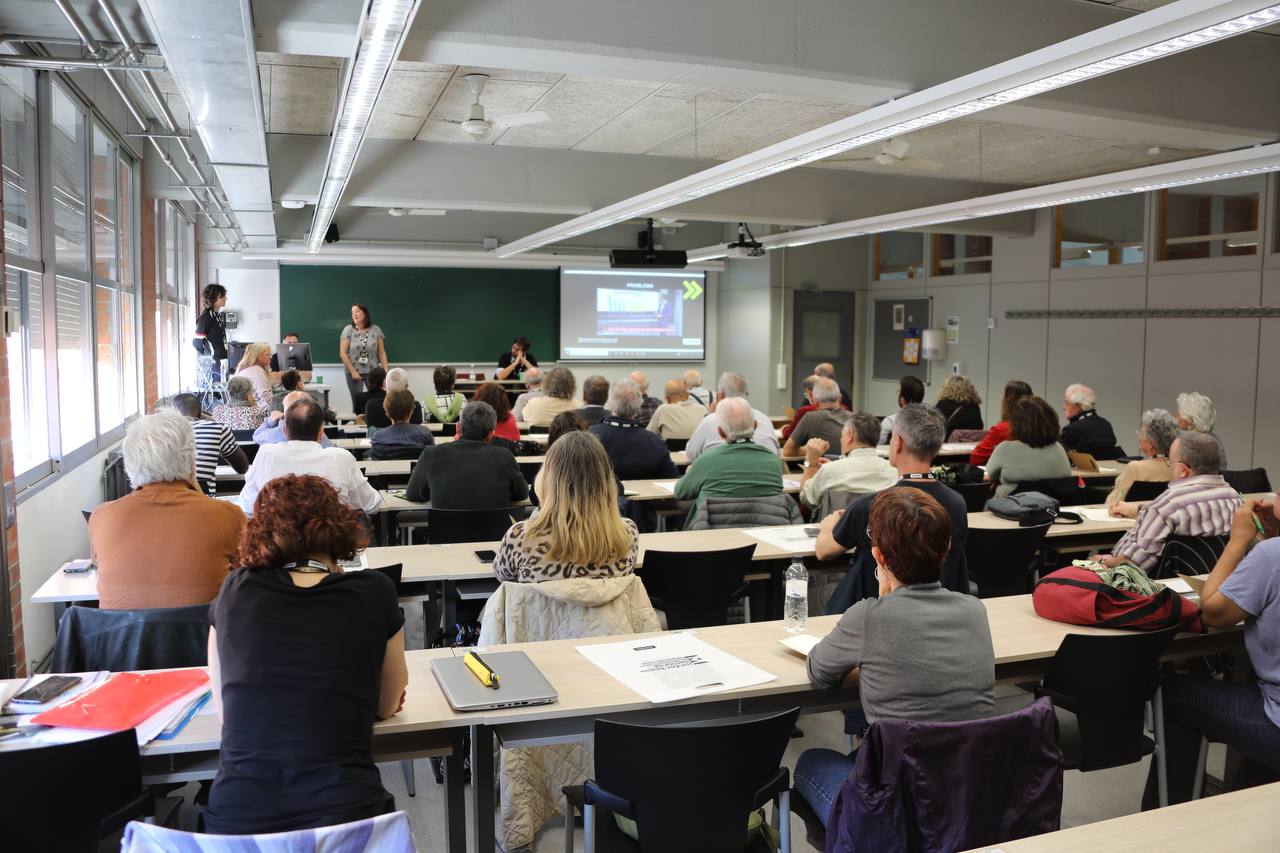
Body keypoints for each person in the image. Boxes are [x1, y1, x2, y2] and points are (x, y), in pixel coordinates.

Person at [204, 475, 407, 834]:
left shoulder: (236, 590)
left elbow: (225, 706)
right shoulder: (375, 591)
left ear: (260, 532)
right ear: (340, 527)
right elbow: (386, 704)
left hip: (239, 823)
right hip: (346, 819)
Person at [795, 487, 995, 827]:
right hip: (964, 792)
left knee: (810, 762)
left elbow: (818, 672)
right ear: (946, 549)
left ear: (879, 557)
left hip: (892, 812)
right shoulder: (975, 610)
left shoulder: (868, 617)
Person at [1142, 494, 1280, 808]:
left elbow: (1213, 613)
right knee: (1248, 686)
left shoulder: (1271, 555)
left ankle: (1168, 820)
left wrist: (1237, 542)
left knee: (1172, 695)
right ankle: (1248, 804)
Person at [89, 410, 244, 610]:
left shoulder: (102, 517)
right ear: (191, 462)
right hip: (204, 638)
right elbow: (243, 579)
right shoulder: (228, 516)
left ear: (128, 465)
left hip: (125, 640)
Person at [816, 404, 971, 601]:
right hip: (937, 611)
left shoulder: (870, 505)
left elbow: (823, 551)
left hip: (875, 612)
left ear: (897, 442)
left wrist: (828, 525)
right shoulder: (957, 504)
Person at [493, 431, 639, 583]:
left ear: (547, 478)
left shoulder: (521, 537)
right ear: (605, 481)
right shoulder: (628, 535)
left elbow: (503, 578)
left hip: (540, 607)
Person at [1099, 431, 1239, 572]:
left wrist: (1103, 561)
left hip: (1146, 584)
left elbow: (1134, 563)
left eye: (1170, 462)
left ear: (1183, 470)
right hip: (1212, 582)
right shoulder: (1236, 499)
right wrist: (1140, 510)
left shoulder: (1169, 504)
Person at [237, 397, 381, 516]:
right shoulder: (341, 458)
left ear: (285, 431)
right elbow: (371, 505)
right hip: (329, 546)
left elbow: (247, 507)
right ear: (321, 433)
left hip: (280, 547)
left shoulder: (266, 454)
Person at [673, 397, 783, 519]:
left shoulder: (707, 460)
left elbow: (680, 492)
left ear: (720, 432)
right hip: (763, 529)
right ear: (755, 425)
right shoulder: (773, 462)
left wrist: (691, 472)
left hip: (713, 531)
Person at [405, 401, 529, 509]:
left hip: (445, 533)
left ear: (458, 428)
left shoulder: (431, 454)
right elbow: (521, 494)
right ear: (491, 434)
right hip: (493, 534)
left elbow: (413, 494)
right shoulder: (505, 457)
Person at [798, 411, 898, 512]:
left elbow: (805, 498)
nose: (841, 440)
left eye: (842, 435)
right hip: (879, 527)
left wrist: (810, 463)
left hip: (837, 526)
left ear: (849, 434)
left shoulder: (829, 471)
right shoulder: (894, 472)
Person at [590, 379, 679, 480]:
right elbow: (671, 478)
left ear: (609, 402)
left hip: (604, 495)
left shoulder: (591, 437)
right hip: (648, 494)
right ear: (639, 406)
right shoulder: (655, 442)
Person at [984, 396, 1072, 498]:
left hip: (1009, 509)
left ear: (1016, 424)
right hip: (1052, 509)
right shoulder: (1059, 449)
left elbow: (988, 477)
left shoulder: (1005, 449)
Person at [685, 372, 780, 460]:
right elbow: (777, 454)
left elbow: (691, 454)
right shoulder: (765, 419)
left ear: (720, 395)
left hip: (721, 475)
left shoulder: (710, 421)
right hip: (765, 474)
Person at [169, 392, 249, 496]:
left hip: (169, 499)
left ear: (171, 414)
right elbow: (242, 468)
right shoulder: (218, 428)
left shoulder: (164, 432)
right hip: (204, 499)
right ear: (200, 412)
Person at [1106, 408, 1178, 507]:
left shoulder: (1135, 468)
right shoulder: (1178, 468)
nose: (1139, 437)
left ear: (1151, 444)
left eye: (1140, 433)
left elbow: (1115, 503)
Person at [969, 380, 1033, 466]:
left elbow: (976, 458)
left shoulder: (1003, 429)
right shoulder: (1037, 427)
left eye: (1003, 394)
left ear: (1008, 400)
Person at [782, 378, 848, 457]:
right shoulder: (855, 419)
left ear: (814, 400)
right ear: (840, 398)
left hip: (820, 468)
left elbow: (788, 451)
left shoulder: (810, 418)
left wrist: (810, 450)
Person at [340, 304, 388, 405]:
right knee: (357, 402)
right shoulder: (348, 330)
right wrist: (353, 372)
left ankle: (374, 420)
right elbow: (343, 353)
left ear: (365, 313)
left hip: (373, 372)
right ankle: (358, 421)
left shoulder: (376, 329)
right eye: (352, 313)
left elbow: (382, 352)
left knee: (377, 401)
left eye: (357, 311)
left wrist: (385, 370)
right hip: (353, 373)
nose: (354, 314)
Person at [370, 390, 435, 461]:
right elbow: (432, 457)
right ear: (412, 410)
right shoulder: (424, 433)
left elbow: (375, 461)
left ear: (387, 412)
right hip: (418, 471)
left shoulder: (378, 437)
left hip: (388, 471)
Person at [255, 390, 334, 448]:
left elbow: (256, 436)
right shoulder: (317, 431)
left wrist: (269, 422)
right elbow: (332, 449)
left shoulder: (277, 433)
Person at [1060, 383, 1119, 459]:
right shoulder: (1105, 424)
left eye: (1067, 403)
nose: (1064, 407)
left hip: (1080, 470)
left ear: (1078, 406)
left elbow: (1061, 459)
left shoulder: (1072, 429)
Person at [1176, 391, 1228, 469]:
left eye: (1179, 414)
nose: (1176, 416)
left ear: (1191, 420)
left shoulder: (1191, 444)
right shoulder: (1215, 440)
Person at [193, 283, 228, 381]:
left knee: (223, 388)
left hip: (222, 359)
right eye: (224, 296)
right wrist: (207, 359)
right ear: (216, 297)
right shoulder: (205, 318)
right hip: (214, 362)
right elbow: (197, 342)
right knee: (216, 391)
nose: (226, 299)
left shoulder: (218, 316)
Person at [877, 375, 925, 445]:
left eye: (898, 391)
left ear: (902, 400)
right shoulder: (927, 424)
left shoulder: (890, 422)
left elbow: (878, 447)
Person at [234, 343, 276, 408]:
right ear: (259, 356)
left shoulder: (247, 369)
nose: (270, 357)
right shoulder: (256, 371)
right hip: (257, 410)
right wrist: (275, 408)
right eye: (268, 354)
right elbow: (264, 395)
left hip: (245, 408)